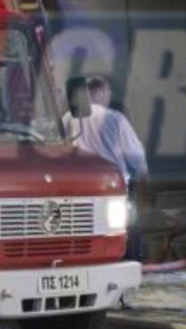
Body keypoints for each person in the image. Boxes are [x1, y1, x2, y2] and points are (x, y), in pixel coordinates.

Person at [63, 77, 148, 261]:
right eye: (107, 93)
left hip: (81, 187)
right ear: (97, 92)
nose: (109, 97)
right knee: (125, 227)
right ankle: (130, 262)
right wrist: (143, 173)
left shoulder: (68, 118)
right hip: (114, 186)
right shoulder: (114, 117)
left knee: (87, 229)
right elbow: (134, 153)